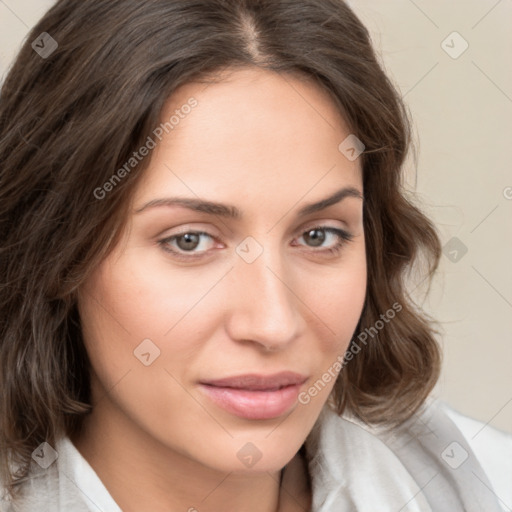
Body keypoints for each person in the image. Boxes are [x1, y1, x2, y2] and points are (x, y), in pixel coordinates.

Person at [0, 1, 510, 511]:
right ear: (56, 254)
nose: (273, 324)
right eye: (190, 240)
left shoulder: (483, 484)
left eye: (318, 236)